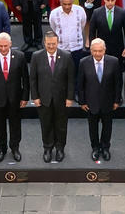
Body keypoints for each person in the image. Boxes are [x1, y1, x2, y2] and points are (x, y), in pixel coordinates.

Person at [0, 32, 30, 162]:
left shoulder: (20, 56)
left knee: (15, 125)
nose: (3, 49)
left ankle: (15, 148)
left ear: (10, 44)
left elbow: (25, 79)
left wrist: (25, 97)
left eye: (6, 46)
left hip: (15, 98)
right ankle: (1, 149)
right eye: (1, 46)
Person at [29, 30, 75, 162]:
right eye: (48, 44)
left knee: (61, 125)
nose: (51, 46)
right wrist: (35, 97)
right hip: (44, 99)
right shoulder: (36, 56)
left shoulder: (66, 56)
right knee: (46, 124)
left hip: (62, 99)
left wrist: (70, 97)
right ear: (44, 43)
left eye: (53, 44)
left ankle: (60, 148)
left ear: (58, 42)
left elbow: (71, 79)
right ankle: (48, 148)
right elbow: (33, 79)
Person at [76, 38, 123, 161]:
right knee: (93, 128)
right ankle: (95, 148)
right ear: (91, 50)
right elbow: (80, 84)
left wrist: (117, 100)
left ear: (104, 50)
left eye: (100, 51)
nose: (97, 53)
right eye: (95, 51)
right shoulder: (83, 62)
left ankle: (105, 147)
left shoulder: (114, 62)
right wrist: (82, 102)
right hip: (91, 103)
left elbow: (118, 83)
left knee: (107, 127)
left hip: (108, 102)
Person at [89, 0, 125, 68]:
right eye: (108, 0)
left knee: (118, 71)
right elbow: (92, 32)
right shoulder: (96, 12)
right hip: (101, 50)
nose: (110, 3)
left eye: (112, 0)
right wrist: (92, 48)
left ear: (115, 0)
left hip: (118, 49)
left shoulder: (122, 12)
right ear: (104, 0)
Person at [48, 0, 89, 66]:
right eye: (64, 4)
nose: (67, 7)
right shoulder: (54, 13)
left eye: (69, 4)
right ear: (60, 2)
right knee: (62, 71)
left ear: (72, 2)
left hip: (77, 48)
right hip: (61, 49)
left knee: (76, 70)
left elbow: (82, 25)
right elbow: (53, 27)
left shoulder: (80, 11)